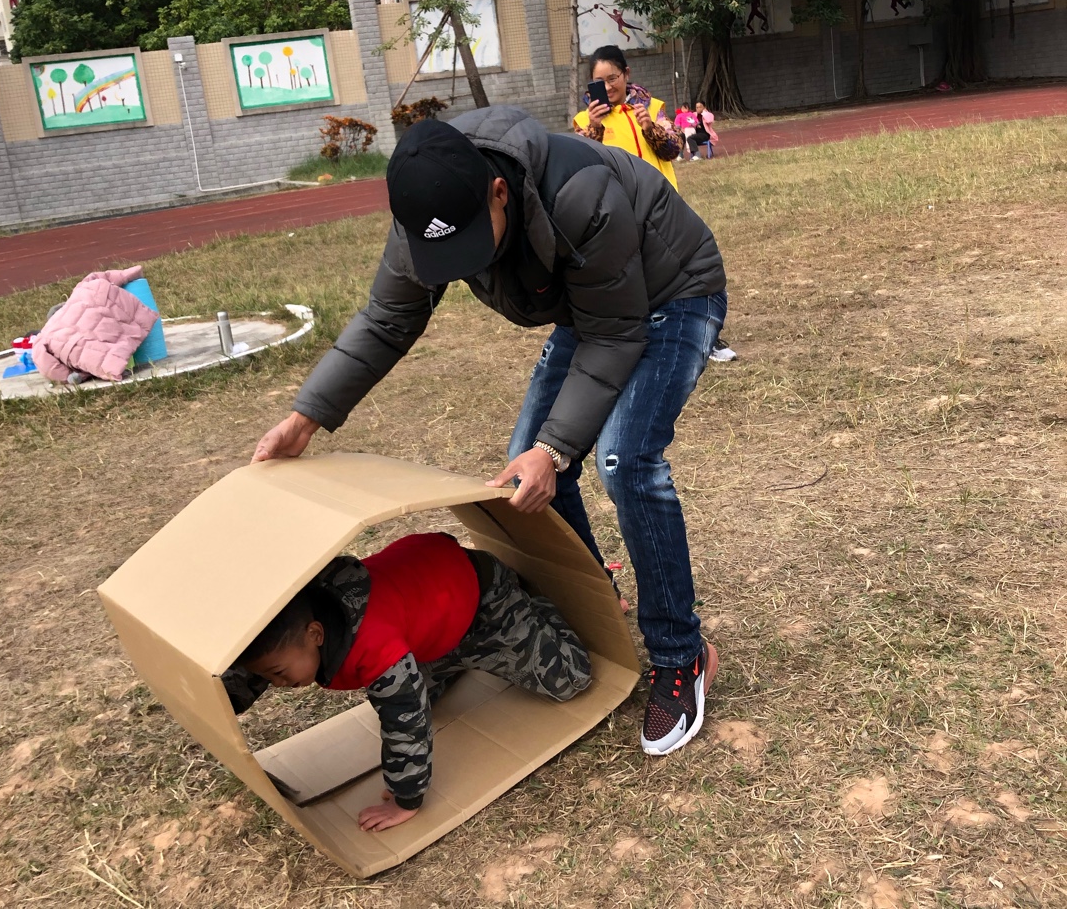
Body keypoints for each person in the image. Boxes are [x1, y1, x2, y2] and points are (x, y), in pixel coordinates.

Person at [252, 107, 728, 757]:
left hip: (673, 293)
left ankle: (681, 653)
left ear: (499, 192)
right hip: (593, 309)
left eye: (469, 245)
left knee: (623, 459)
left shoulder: (579, 194)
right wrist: (305, 417)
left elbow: (618, 335)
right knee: (522, 473)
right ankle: (595, 607)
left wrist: (555, 448)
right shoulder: (423, 210)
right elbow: (387, 320)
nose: (457, 264)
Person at [226, 531, 591, 832]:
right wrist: (222, 702)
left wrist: (405, 800)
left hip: (485, 600)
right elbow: (256, 660)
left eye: (278, 674)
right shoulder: (294, 619)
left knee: (570, 680)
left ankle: (534, 612)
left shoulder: (375, 651)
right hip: (427, 604)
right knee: (419, 691)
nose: (276, 683)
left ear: (316, 634)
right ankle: (450, 651)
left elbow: (406, 723)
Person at [573, 45, 682, 188]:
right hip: (620, 199)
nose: (607, 87)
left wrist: (651, 129)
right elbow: (581, 168)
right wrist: (594, 130)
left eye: (612, 79)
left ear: (626, 73)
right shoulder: (584, 121)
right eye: (599, 82)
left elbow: (674, 151)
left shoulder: (652, 108)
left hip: (661, 195)